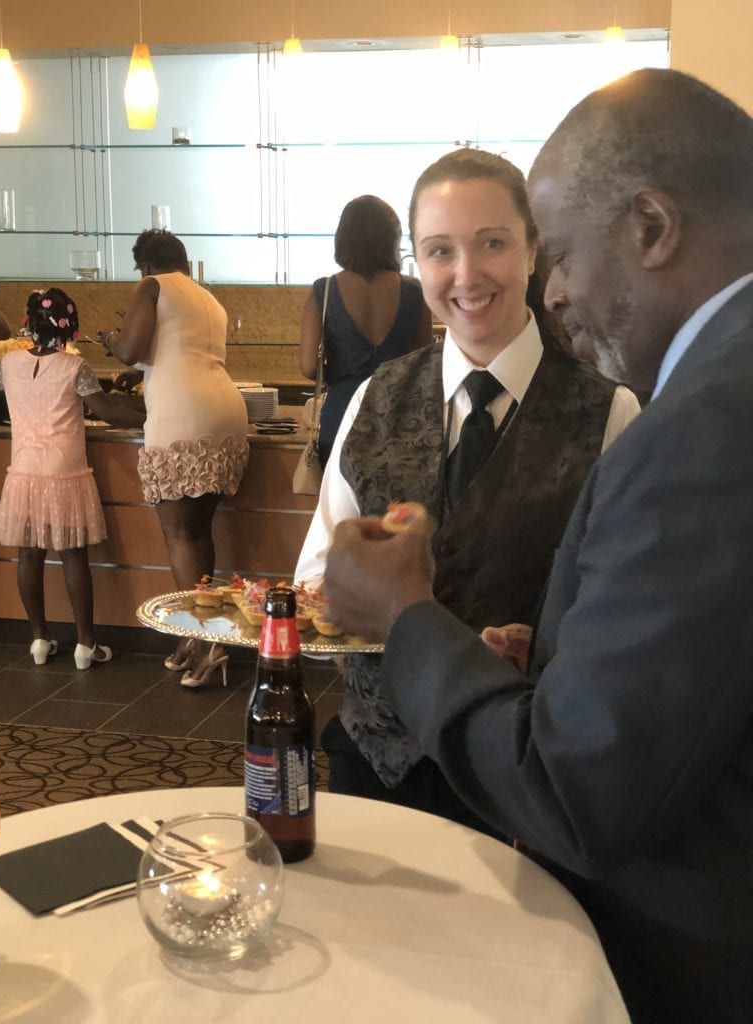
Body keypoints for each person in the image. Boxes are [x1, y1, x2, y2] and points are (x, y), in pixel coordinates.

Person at [322, 68, 753, 1024]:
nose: (556, 290)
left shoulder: (691, 425)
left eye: (550, 253)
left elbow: (575, 789)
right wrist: (555, 664)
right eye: (436, 249)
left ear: (650, 227)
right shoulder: (378, 399)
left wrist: (406, 615)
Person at [296, 148, 640, 833]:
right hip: (377, 764)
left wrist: (539, 646)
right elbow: (316, 578)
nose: (466, 274)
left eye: (492, 244)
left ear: (533, 250)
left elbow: (624, 613)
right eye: (439, 250)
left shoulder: (612, 412)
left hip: (518, 772)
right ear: (417, 263)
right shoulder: (377, 396)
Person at [102, 229, 249, 687]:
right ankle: (192, 636)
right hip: (225, 412)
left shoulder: (151, 286)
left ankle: (208, 645)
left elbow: (130, 349)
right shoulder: (208, 299)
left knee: (180, 536)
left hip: (182, 418)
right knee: (199, 533)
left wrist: (110, 338)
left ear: (144, 264)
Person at [0, 288, 145, 668]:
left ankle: (39, 639)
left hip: (23, 472)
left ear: (28, 323)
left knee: (28, 555)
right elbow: (107, 412)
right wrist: (151, 418)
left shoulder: (4, 365)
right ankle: (85, 645)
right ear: (70, 326)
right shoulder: (76, 367)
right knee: (73, 557)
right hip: (64, 472)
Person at [298, 194, 432, 468]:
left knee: (339, 508)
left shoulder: (323, 292)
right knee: (394, 506)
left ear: (343, 238)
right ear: (392, 239)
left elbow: (309, 366)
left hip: (342, 412)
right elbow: (425, 363)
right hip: (398, 415)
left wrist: (342, 370)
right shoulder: (415, 293)